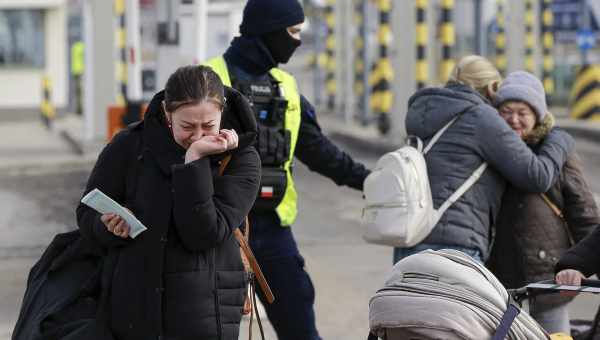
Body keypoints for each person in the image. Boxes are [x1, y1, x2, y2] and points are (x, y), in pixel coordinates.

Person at [202, 1, 370, 339]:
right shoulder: (207, 79)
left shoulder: (287, 87)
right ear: (270, 30)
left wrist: (368, 179)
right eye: (293, 32)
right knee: (208, 328)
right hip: (216, 230)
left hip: (274, 231)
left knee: (301, 328)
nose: (297, 41)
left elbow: (317, 149)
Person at [76, 65, 260, 340]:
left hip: (204, 315)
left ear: (222, 111)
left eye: (208, 125)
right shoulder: (130, 145)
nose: (198, 135)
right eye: (188, 126)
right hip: (133, 310)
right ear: (167, 114)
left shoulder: (240, 159)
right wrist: (106, 225)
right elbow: (87, 212)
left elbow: (203, 233)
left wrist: (195, 159)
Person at [394, 55, 575, 264]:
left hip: (410, 237)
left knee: (411, 297)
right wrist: (559, 137)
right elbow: (537, 175)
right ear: (491, 88)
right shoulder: (481, 117)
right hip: (456, 246)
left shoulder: (422, 113)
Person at [486, 71, 599, 334]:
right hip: (500, 280)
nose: (514, 119)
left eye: (522, 112)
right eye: (506, 111)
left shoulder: (555, 152)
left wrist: (587, 262)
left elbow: (584, 214)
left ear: (537, 115)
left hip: (547, 279)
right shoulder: (490, 151)